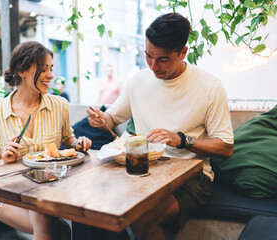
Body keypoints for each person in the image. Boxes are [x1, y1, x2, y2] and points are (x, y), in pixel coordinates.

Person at [87, 13, 234, 239]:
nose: (154, 66)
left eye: (163, 59)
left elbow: (225, 147)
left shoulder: (210, 87)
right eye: (148, 56)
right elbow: (111, 119)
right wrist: (100, 119)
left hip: (191, 178)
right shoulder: (138, 80)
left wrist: (182, 140)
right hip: (142, 169)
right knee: (94, 205)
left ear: (183, 52)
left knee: (142, 216)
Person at [0, 41, 92, 240]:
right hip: (5, 193)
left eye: (51, 69)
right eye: (43, 69)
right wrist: (4, 160)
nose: (50, 75)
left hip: (48, 189)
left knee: (56, 224)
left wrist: (77, 144)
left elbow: (67, 138)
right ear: (21, 71)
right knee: (53, 224)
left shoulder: (59, 105)